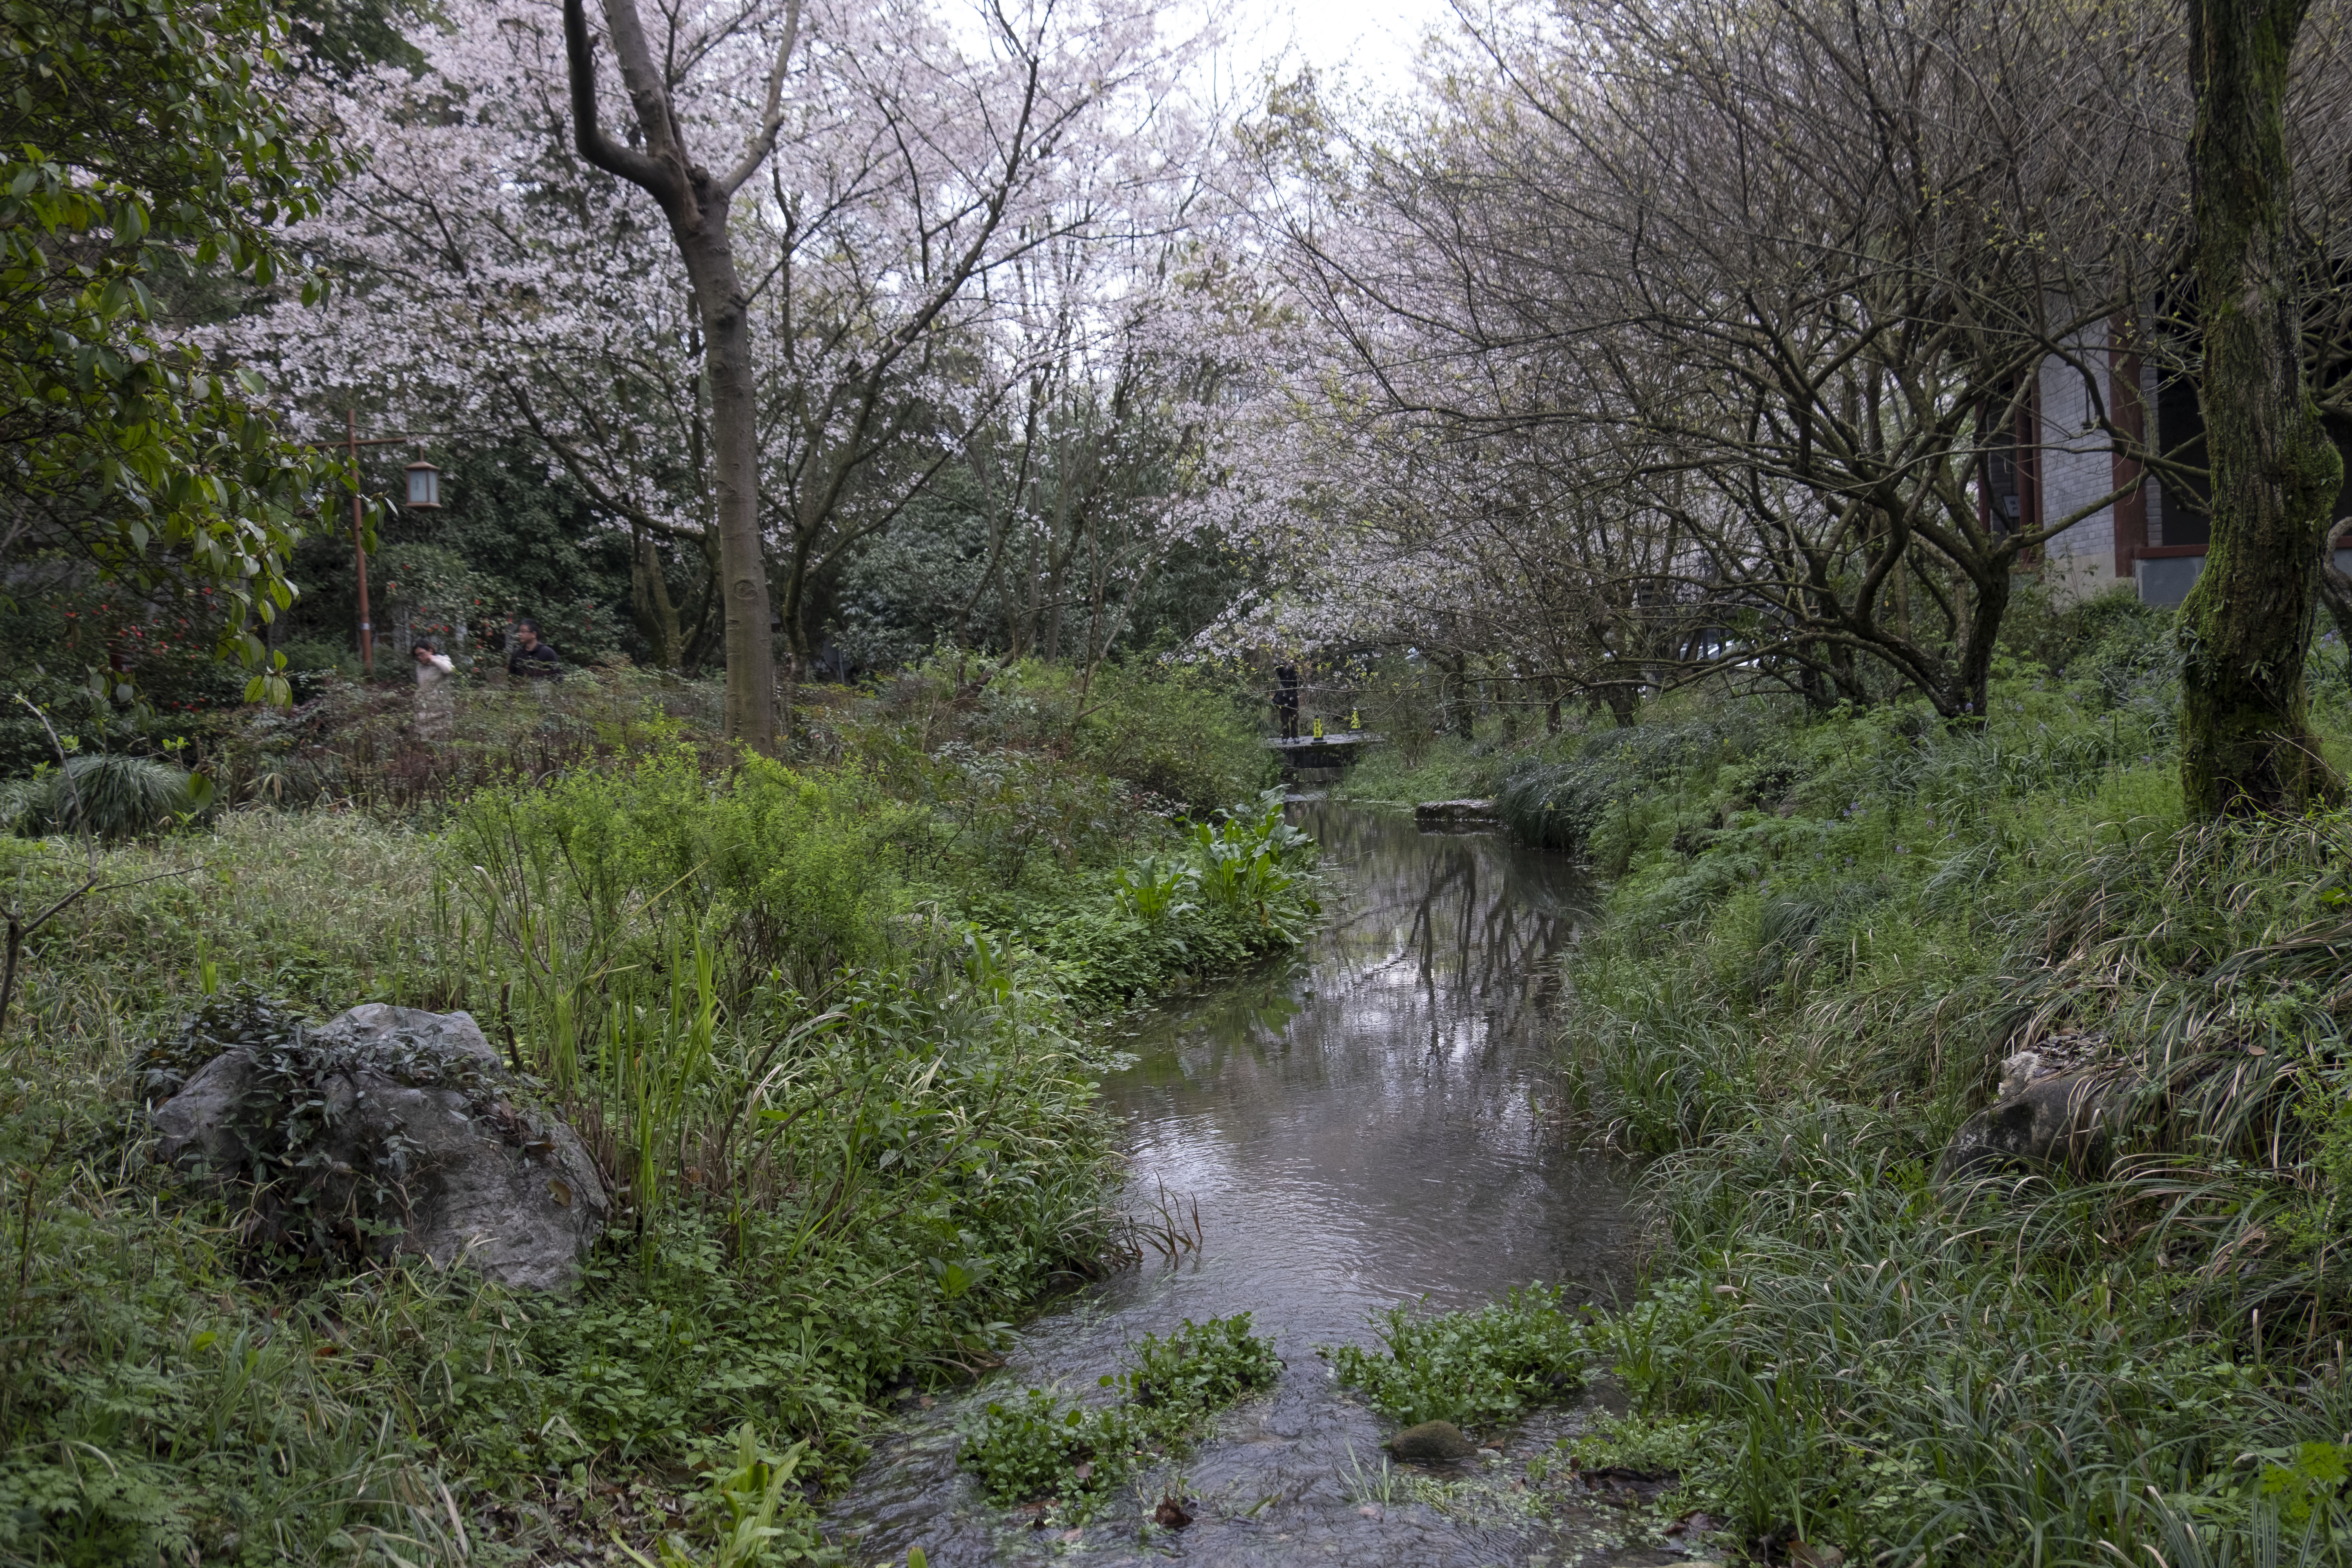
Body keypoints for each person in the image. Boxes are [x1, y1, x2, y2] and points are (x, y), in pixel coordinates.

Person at [412, 640, 457, 740]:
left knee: (443, 736)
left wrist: (433, 660)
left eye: (421, 654)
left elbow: (449, 670)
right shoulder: (419, 668)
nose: (419, 657)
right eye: (417, 656)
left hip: (441, 705)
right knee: (425, 737)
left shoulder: (442, 660)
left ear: (430, 651)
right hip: (425, 705)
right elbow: (422, 686)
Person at [506, 618, 563, 682]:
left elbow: (557, 679)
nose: (520, 634)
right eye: (520, 631)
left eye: (523, 632)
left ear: (533, 634)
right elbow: (511, 676)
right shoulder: (517, 652)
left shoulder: (548, 653)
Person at [1274, 663, 1300, 741]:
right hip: (1284, 700)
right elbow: (1278, 667)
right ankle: (1285, 737)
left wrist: (1294, 665)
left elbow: (1298, 682)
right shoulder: (1283, 673)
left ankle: (1295, 737)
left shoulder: (1296, 674)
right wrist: (1278, 660)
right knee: (1285, 721)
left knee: (1294, 720)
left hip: (1294, 701)